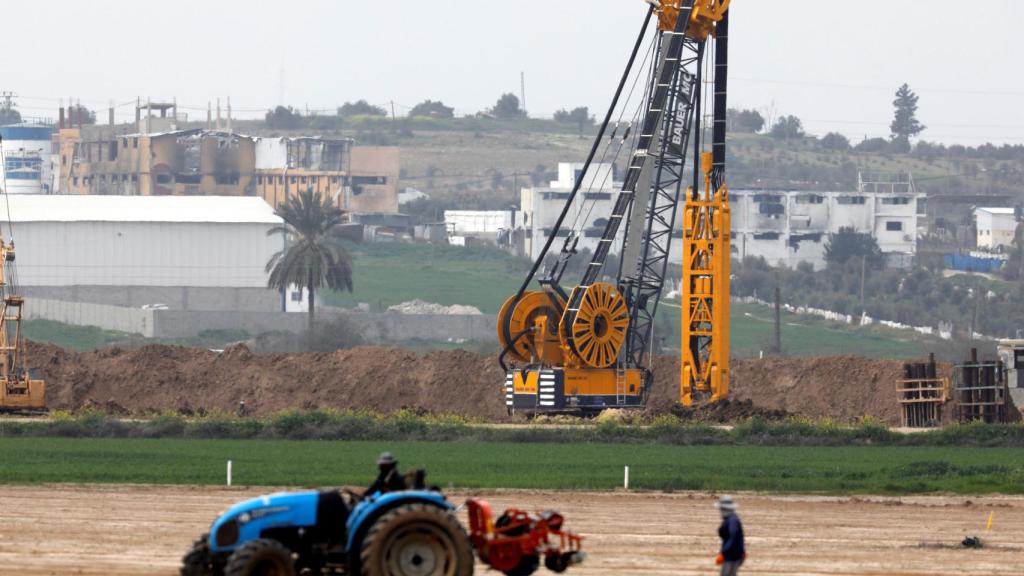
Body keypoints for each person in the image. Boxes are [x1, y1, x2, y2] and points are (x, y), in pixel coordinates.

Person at [715, 495, 745, 576]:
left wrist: (724, 552)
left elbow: (733, 536)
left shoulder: (732, 520)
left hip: (732, 556)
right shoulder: (731, 519)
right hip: (733, 555)